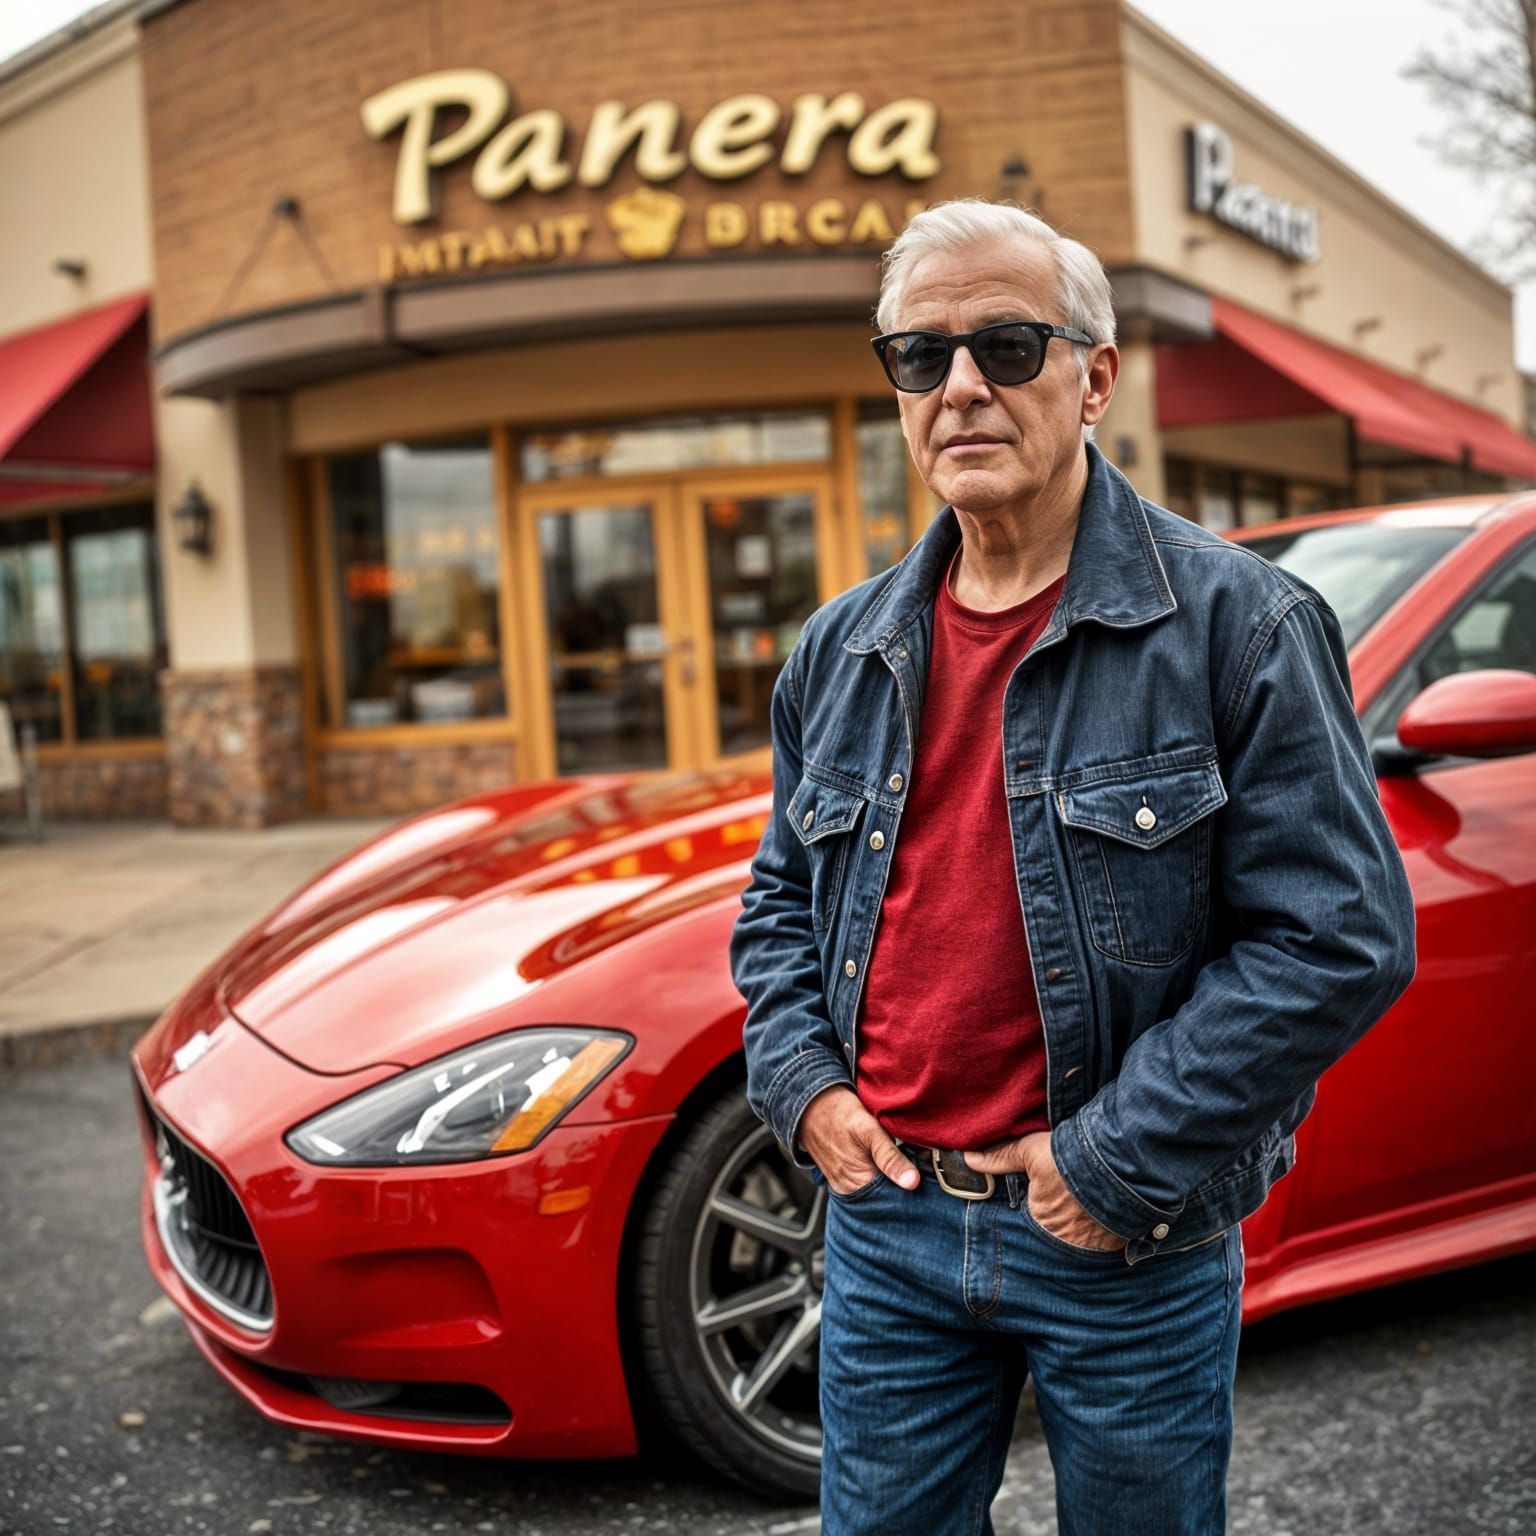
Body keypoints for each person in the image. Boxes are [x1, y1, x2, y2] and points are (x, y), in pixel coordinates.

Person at [727, 197, 1417, 1536]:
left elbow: (1339, 937)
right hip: (888, 1225)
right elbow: (776, 907)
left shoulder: (1241, 625)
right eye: (920, 358)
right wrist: (804, 1086)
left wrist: (1109, 1164)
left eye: (1008, 345)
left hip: (1121, 1235)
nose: (962, 387)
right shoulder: (840, 650)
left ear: (1094, 377)